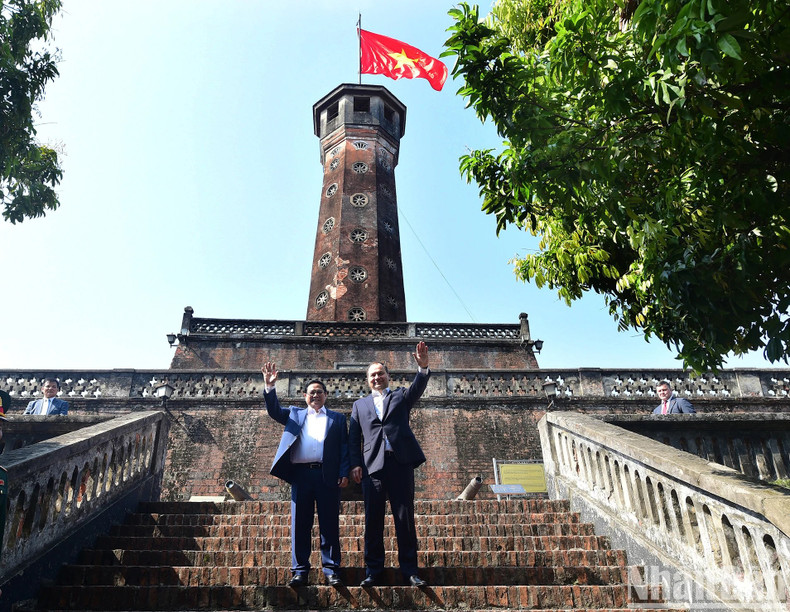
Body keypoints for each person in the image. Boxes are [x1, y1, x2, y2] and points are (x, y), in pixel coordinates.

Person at [349, 341, 430, 588]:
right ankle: (373, 571)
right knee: (373, 520)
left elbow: (417, 388)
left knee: (404, 518)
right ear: (368, 380)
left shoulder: (400, 396)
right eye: (372, 375)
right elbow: (353, 438)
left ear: (388, 376)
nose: (377, 378)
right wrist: (355, 464)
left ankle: (410, 571)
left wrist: (423, 368)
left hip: (400, 463)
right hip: (372, 467)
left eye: (380, 373)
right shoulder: (359, 405)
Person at [261, 362, 349, 588]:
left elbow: (344, 447)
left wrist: (343, 472)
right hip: (301, 475)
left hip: (327, 476)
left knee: (329, 524)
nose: (316, 395)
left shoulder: (338, 419)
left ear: (326, 395)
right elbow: (274, 411)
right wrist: (270, 387)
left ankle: (331, 570)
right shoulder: (295, 414)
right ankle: (300, 570)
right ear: (305, 396)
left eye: (319, 392)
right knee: (300, 524)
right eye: (312, 392)